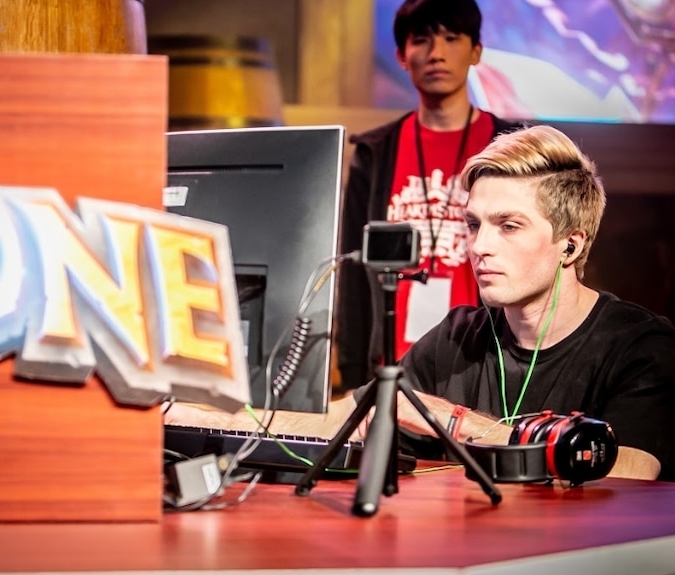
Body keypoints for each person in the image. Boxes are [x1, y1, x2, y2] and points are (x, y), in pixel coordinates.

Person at [166, 124, 675, 482]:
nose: (479, 246)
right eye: (474, 224)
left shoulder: (641, 345)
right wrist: (200, 416)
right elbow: (355, 414)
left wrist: (458, 422)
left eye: (509, 226)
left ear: (572, 243)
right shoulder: (460, 334)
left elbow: (634, 466)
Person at [337, 0, 521, 393]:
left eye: (452, 39)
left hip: (481, 366)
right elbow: (354, 271)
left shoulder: (512, 146)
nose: (436, 53)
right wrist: (353, 373)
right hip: (388, 366)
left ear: (476, 52)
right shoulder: (375, 153)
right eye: (421, 41)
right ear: (402, 56)